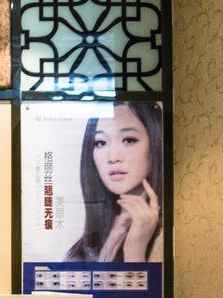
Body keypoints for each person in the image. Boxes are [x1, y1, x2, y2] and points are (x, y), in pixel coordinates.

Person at [65, 101, 163, 262]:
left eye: (129, 140)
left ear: (154, 142)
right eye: (101, 143)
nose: (112, 157)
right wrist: (112, 240)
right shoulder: (97, 237)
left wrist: (135, 249)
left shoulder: (167, 238)